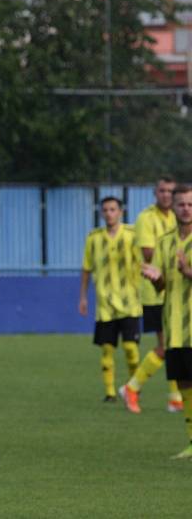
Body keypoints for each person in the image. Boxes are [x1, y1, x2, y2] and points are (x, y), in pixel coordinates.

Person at [120, 176, 184, 414]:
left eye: (170, 191)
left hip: (178, 290)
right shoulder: (146, 218)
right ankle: (132, 387)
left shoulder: (178, 218)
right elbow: (148, 253)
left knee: (174, 344)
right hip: (156, 291)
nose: (166, 195)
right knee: (166, 344)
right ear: (154, 193)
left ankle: (175, 397)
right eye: (162, 191)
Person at [141, 183, 192, 459]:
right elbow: (162, 287)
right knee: (184, 383)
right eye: (181, 204)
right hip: (174, 327)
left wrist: (187, 270)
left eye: (190, 204)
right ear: (173, 206)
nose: (186, 209)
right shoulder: (165, 242)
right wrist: (155, 277)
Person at [79, 197, 142, 402]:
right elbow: (87, 269)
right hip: (105, 304)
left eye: (113, 209)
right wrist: (83, 297)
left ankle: (133, 387)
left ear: (121, 212)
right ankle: (110, 392)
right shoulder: (94, 238)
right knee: (107, 349)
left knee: (131, 349)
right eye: (105, 210)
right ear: (101, 213)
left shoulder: (132, 235)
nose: (109, 213)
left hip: (130, 303)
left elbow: (144, 263)